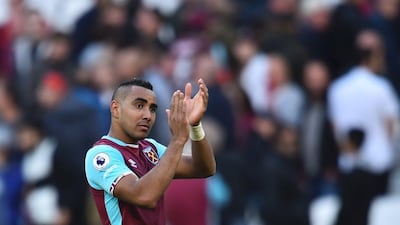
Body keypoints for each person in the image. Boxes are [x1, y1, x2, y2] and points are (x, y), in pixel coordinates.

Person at [85, 78, 216, 225]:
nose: (147, 115)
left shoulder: (150, 148)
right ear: (116, 109)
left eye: (152, 109)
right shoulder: (101, 154)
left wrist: (195, 126)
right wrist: (177, 140)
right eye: (139, 105)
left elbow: (204, 168)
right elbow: (144, 196)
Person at [328, 29, 400, 225]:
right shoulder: (381, 87)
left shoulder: (338, 87)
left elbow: (336, 127)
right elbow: (390, 125)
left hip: (350, 162)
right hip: (378, 165)